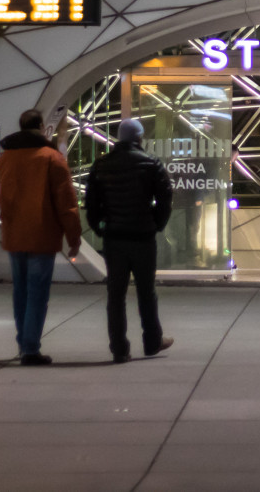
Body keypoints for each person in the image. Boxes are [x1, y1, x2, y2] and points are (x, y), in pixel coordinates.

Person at [85, 118, 175, 363]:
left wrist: (99, 227)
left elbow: (91, 201)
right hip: (143, 237)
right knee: (147, 292)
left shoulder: (102, 165)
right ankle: (152, 341)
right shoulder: (151, 163)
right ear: (139, 138)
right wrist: (156, 223)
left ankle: (119, 347)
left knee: (116, 294)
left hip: (114, 238)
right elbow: (166, 197)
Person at [0, 109, 82, 366]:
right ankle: (31, 348)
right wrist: (74, 237)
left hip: (14, 233)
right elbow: (66, 203)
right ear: (42, 127)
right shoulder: (51, 158)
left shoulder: (5, 158)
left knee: (20, 291)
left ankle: (24, 343)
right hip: (42, 233)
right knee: (37, 292)